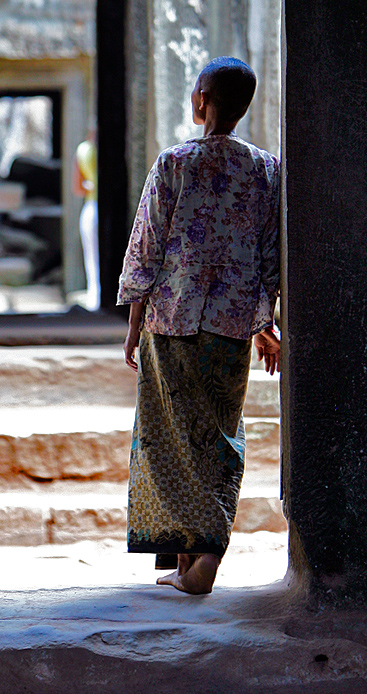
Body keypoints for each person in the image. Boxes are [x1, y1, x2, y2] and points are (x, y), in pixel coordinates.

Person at [117, 56, 280, 595]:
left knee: (169, 439)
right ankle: (198, 557)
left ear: (202, 99)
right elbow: (269, 257)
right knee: (218, 437)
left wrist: (134, 323)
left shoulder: (173, 164)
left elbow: (146, 248)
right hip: (231, 326)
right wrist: (265, 322)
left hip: (173, 320)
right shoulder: (266, 169)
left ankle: (197, 557)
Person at [73, 130, 100, 310]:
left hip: (90, 208)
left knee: (92, 261)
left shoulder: (83, 150)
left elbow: (78, 188)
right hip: (101, 208)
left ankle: (94, 300)